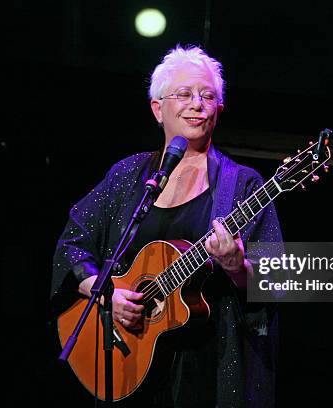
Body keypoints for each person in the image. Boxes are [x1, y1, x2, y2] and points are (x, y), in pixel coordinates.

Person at [51, 44, 283, 407]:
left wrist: (237, 266)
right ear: (157, 109)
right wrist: (105, 290)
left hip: (205, 370)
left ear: (218, 112)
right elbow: (72, 243)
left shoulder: (244, 186)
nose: (197, 104)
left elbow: (277, 281)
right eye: (185, 94)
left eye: (208, 96)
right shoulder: (128, 175)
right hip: (127, 359)